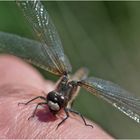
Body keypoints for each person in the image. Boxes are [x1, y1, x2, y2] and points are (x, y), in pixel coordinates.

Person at [0, 54, 113, 139]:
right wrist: (26, 104)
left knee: (74, 114)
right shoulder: (52, 100)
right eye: (51, 98)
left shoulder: (65, 103)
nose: (52, 105)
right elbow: (39, 101)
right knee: (40, 100)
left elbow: (67, 116)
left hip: (73, 87)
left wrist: (81, 124)